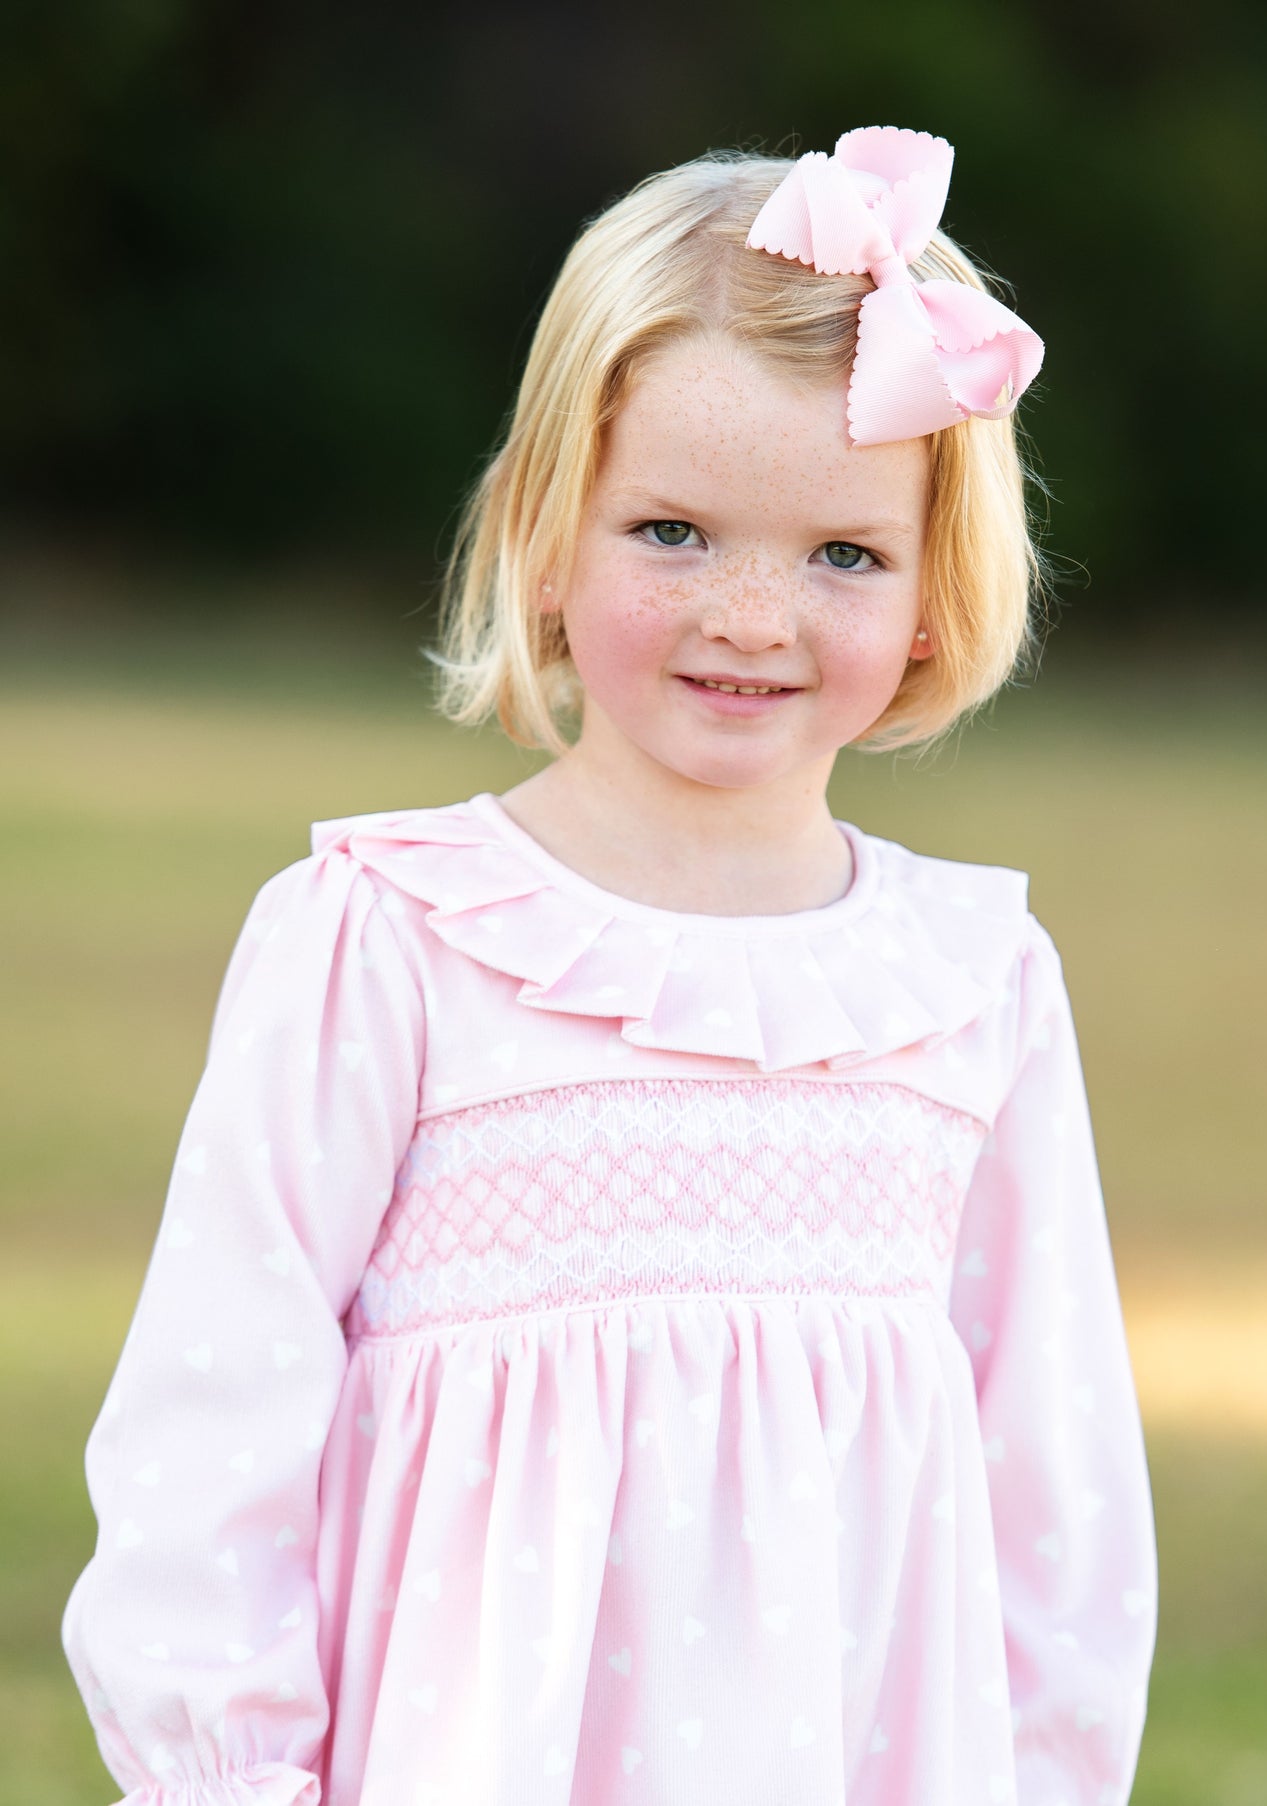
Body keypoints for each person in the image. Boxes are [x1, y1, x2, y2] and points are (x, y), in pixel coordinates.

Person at [62, 126, 1157, 1806]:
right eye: (671, 531)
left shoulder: (970, 980)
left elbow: (1055, 1486)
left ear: (935, 586)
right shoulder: (390, 938)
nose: (750, 614)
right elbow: (215, 1430)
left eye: (841, 553)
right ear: (545, 535)